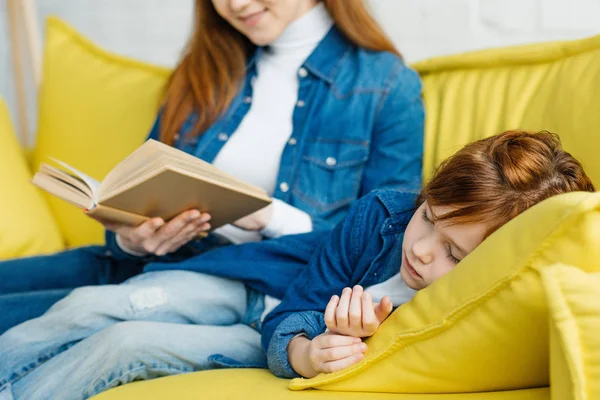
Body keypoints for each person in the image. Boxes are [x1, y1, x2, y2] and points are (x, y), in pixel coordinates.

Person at [0, 130, 594, 399]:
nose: (421, 249)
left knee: (123, 345)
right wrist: (306, 348)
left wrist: (316, 354)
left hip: (254, 334)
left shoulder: (480, 301)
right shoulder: (384, 212)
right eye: (430, 219)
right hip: (262, 286)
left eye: (454, 254)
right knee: (89, 304)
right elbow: (298, 308)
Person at [0, 0, 425, 333]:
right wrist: (134, 238)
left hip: (237, 285)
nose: (236, 4)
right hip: (143, 263)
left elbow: (382, 248)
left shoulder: (387, 87)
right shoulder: (208, 67)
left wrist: (268, 214)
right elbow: (142, 185)